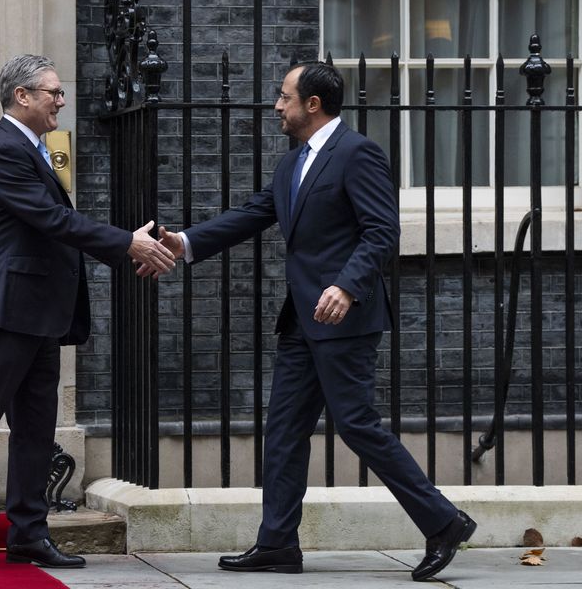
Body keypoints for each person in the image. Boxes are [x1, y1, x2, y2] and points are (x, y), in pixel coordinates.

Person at [150, 62, 476, 582]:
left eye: (284, 97)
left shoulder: (357, 153)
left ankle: (442, 522)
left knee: (356, 425)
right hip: (302, 321)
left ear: (313, 104)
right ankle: (278, 543)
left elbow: (381, 232)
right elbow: (255, 213)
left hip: (344, 317)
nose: (277, 106)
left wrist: (347, 286)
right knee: (283, 430)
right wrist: (185, 242)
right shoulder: (292, 164)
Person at [0, 54, 175, 572]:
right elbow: (51, 219)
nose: (60, 101)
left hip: (36, 314)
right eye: (52, 92)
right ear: (21, 96)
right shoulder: (3, 151)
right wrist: (125, 244)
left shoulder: (31, 149)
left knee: (35, 429)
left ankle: (28, 532)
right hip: (4, 312)